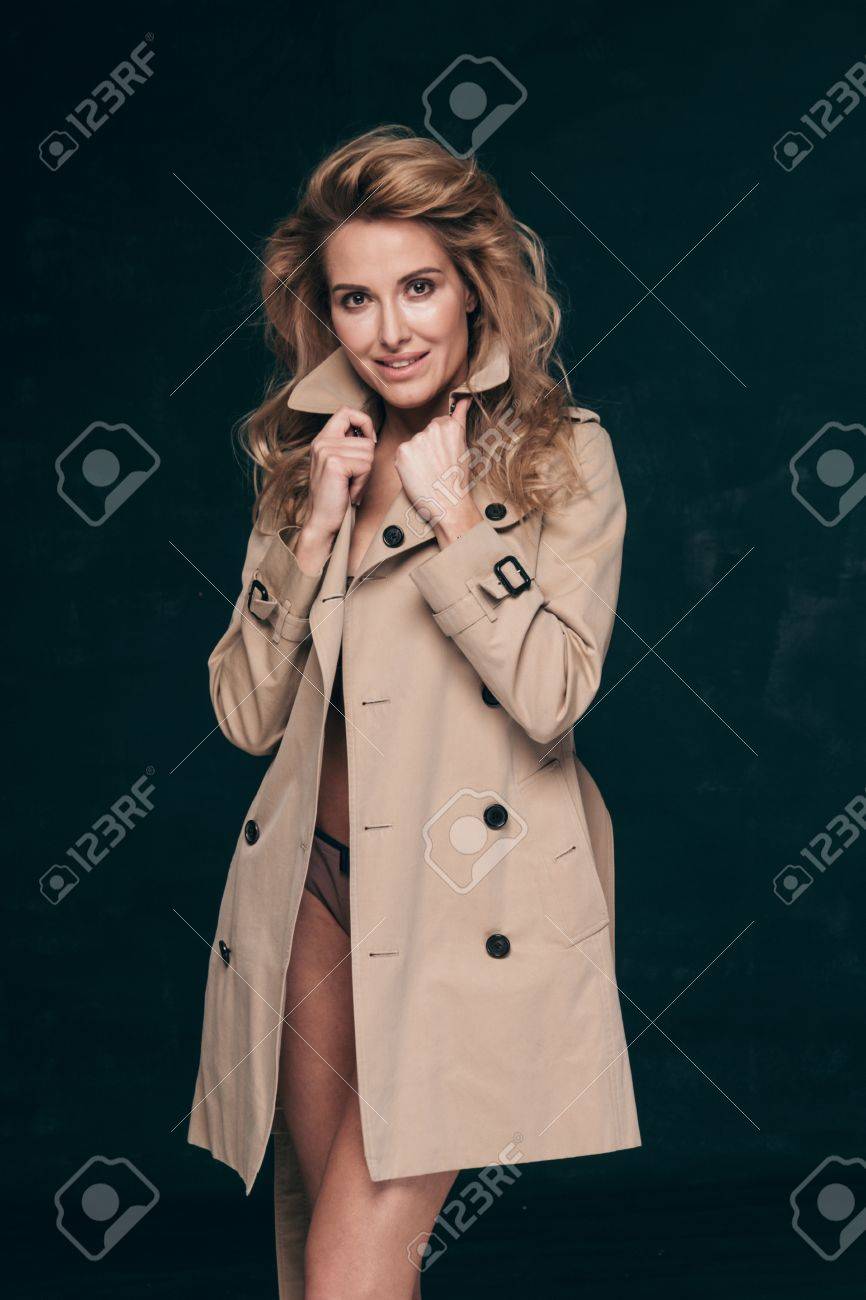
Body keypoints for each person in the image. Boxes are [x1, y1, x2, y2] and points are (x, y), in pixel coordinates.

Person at [187, 123, 641, 1300]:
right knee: (319, 1253)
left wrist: (457, 523)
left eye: (418, 287)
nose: (390, 330)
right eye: (355, 299)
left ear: (473, 286)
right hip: (315, 888)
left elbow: (553, 693)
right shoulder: (309, 462)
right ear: (324, 313)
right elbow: (244, 715)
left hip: (465, 899)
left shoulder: (561, 456)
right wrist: (310, 532)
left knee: (350, 1262)